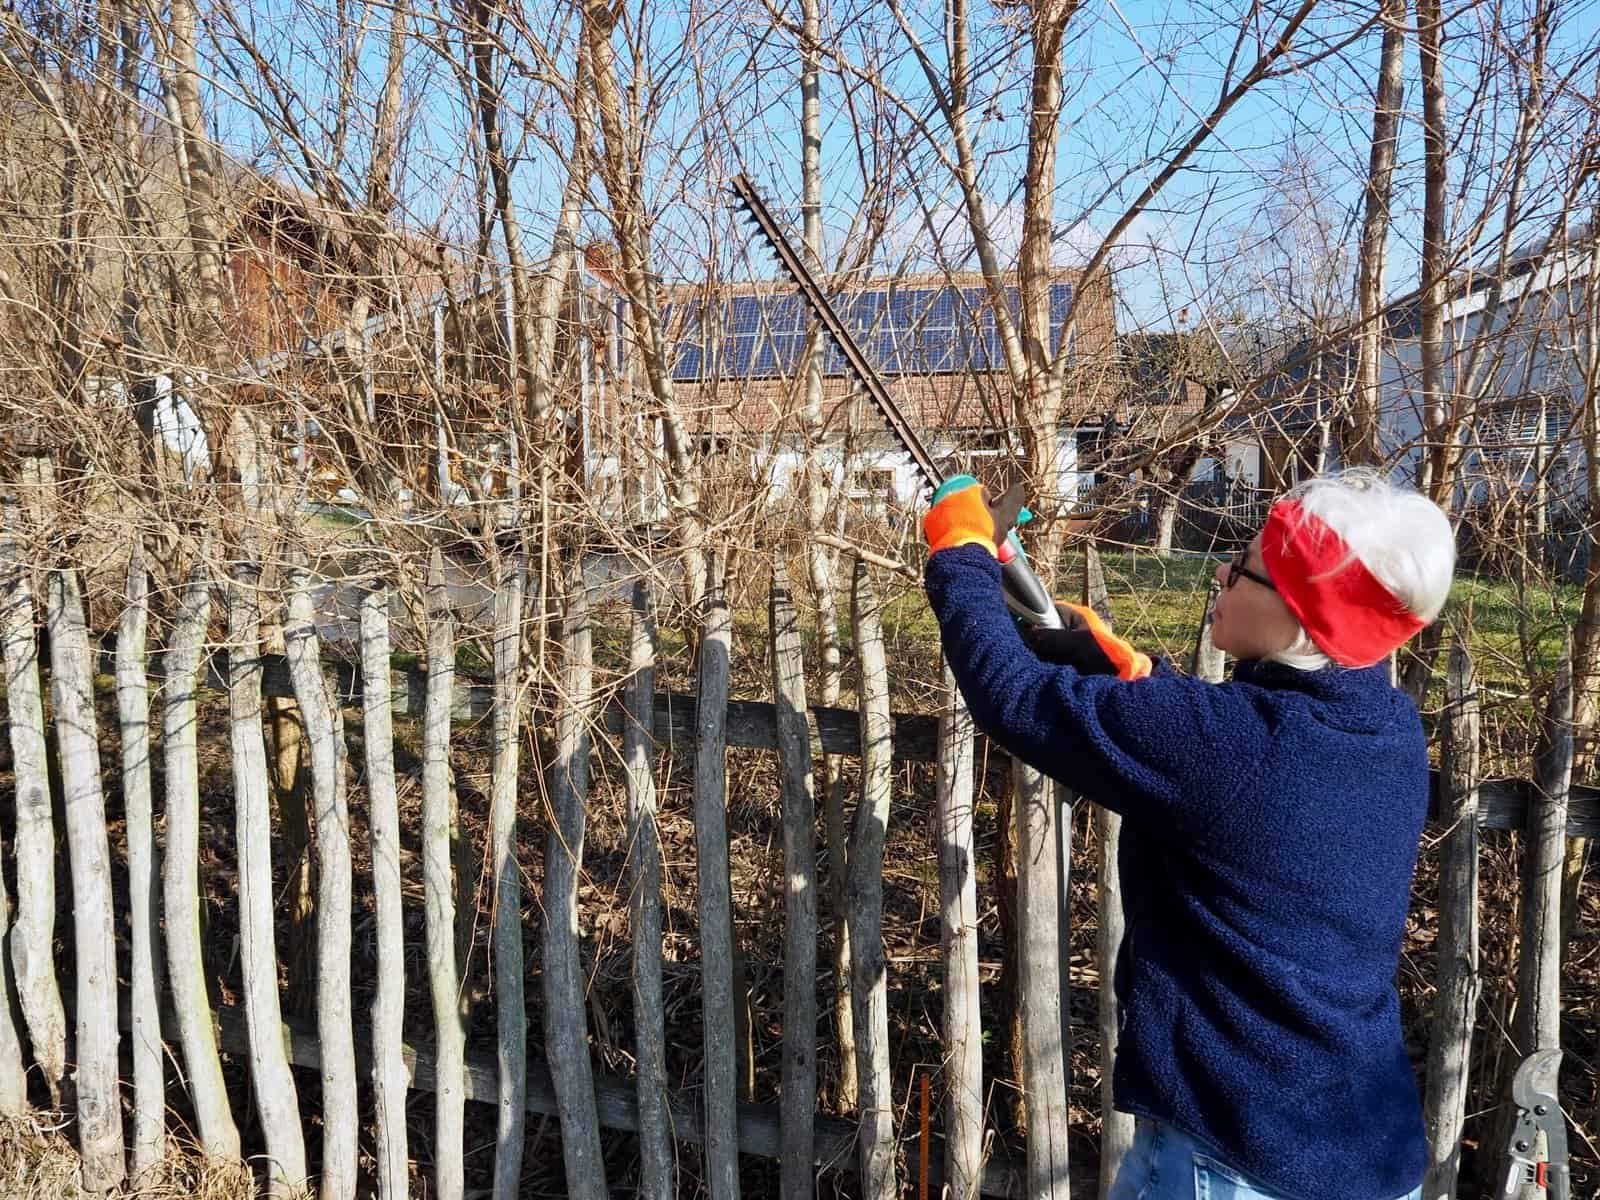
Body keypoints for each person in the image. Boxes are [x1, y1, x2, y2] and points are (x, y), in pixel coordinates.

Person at [921, 468, 1455, 1200]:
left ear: (1304, 614)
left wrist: (961, 555)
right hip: (1362, 1152)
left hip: (1228, 1162)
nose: (1224, 571)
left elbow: (1012, 695)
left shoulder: (1227, 748)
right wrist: (1143, 680)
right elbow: (1242, 760)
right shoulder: (1385, 730)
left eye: (1249, 569)